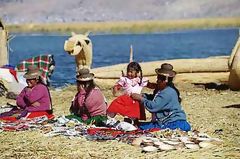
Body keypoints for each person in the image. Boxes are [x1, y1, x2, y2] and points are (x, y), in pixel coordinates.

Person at [131, 63, 191, 131]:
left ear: (165, 80)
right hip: (165, 121)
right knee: (139, 125)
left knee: (141, 128)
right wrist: (144, 95)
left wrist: (140, 99)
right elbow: (155, 98)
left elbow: (154, 106)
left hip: (173, 122)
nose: (157, 81)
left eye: (159, 79)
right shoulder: (162, 89)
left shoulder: (168, 92)